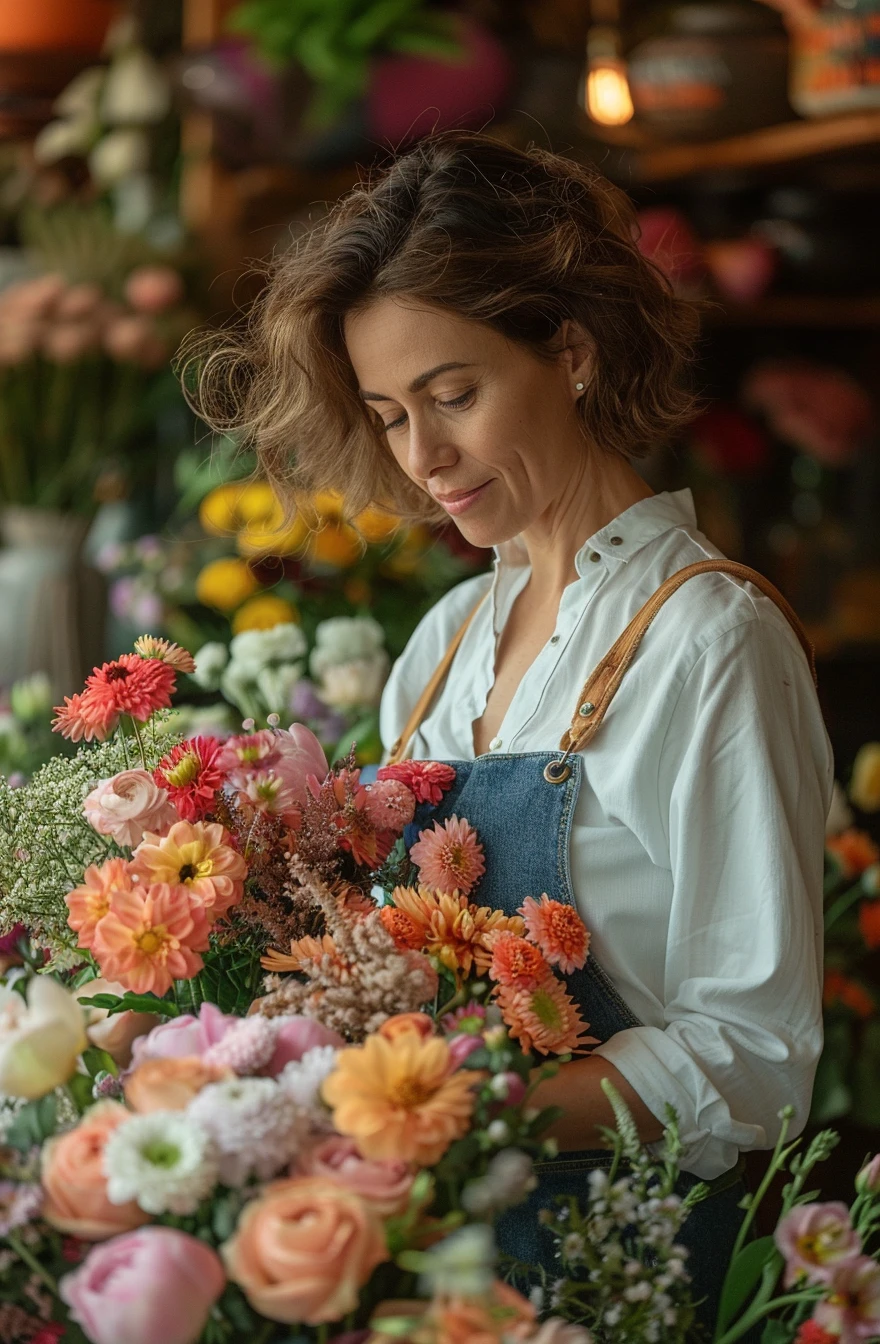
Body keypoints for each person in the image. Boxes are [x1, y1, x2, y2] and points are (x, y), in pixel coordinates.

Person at [187, 130, 834, 1336]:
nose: (424, 459)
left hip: (613, 1266)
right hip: (439, 1252)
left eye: (453, 396)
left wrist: (459, 1109)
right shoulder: (443, 643)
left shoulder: (708, 641)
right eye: (388, 416)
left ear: (572, 352)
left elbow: (754, 1054)